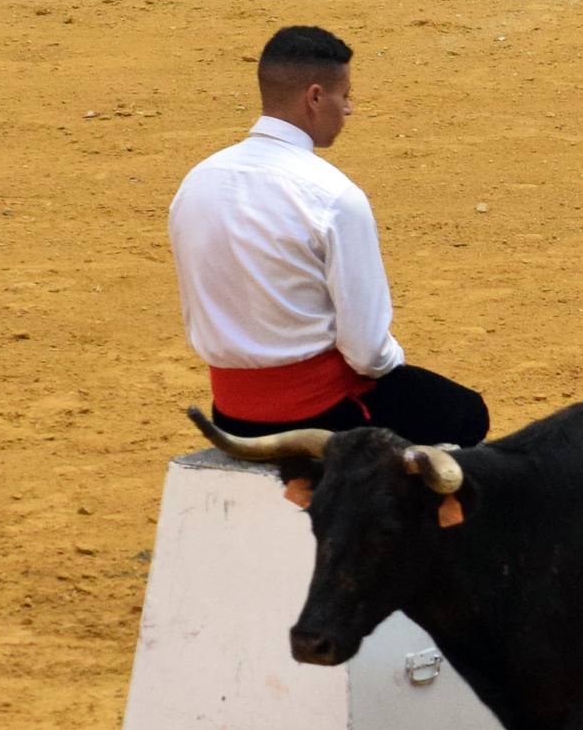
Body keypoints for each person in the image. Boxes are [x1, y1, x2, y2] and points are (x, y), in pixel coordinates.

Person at [169, 24, 489, 446]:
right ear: (316, 97)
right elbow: (368, 352)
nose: (349, 109)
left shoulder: (196, 183)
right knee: (466, 415)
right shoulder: (334, 196)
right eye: (345, 95)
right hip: (323, 413)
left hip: (230, 413)